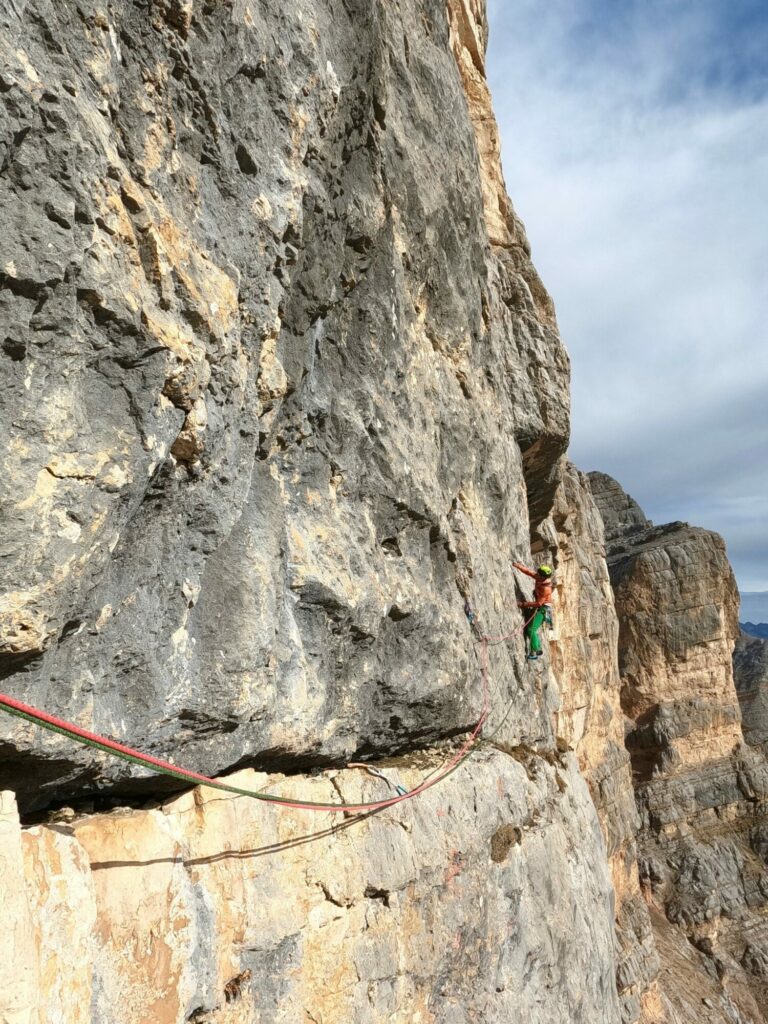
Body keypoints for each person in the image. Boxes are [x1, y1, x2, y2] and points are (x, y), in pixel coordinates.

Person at [512, 562, 554, 661]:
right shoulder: (540, 578)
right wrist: (517, 566)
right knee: (528, 629)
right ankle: (538, 647)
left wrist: (524, 604)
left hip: (543, 609)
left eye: (539, 574)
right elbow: (528, 572)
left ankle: (534, 651)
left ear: (543, 577)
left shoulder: (546, 588)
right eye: (538, 573)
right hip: (541, 607)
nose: (537, 575)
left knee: (531, 629)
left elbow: (539, 604)